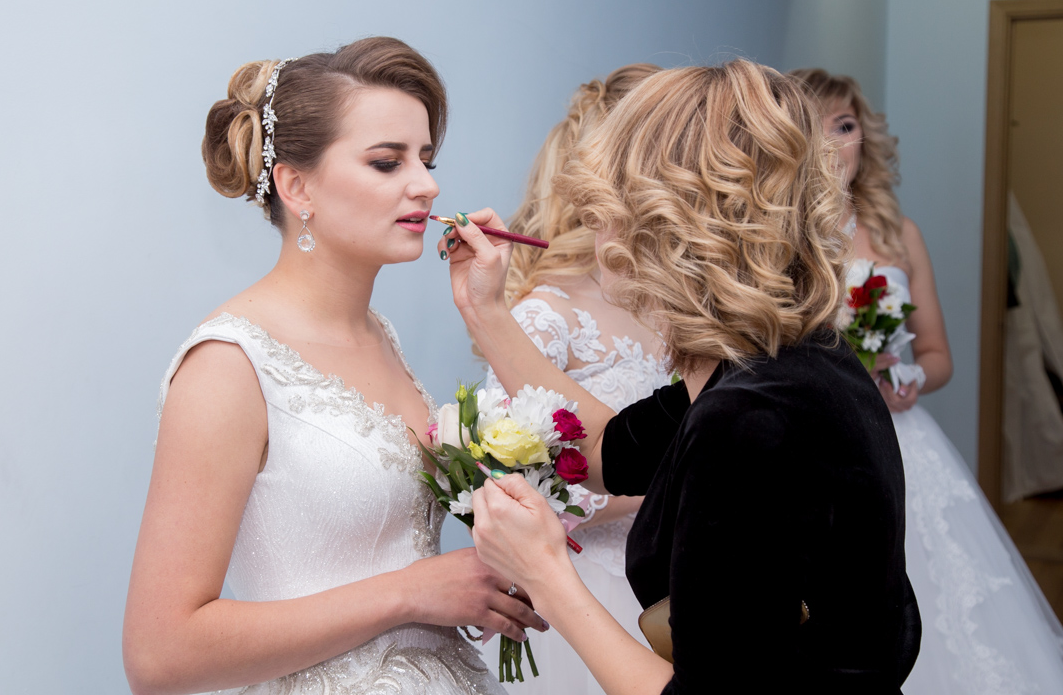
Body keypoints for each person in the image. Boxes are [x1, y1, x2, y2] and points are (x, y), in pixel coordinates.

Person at [439, 59, 921, 694]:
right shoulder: (776, 361)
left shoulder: (750, 420)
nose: (592, 225)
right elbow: (604, 448)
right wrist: (486, 310)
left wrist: (546, 574)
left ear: (668, 225)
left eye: (606, 205)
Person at [122, 38, 538, 695]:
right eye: (387, 162)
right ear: (297, 186)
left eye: (426, 159)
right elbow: (158, 656)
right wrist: (409, 592)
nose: (426, 184)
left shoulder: (380, 337)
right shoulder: (230, 365)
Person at [792, 67, 1063, 695]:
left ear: (864, 136)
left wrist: (909, 377)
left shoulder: (899, 233)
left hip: (903, 439)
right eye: (817, 127)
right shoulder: (781, 236)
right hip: (819, 444)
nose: (835, 144)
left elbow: (938, 355)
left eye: (846, 126)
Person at [474, 63, 669, 693]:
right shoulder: (546, 316)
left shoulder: (676, 305)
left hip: (675, 577)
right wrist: (675, 486)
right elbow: (511, 483)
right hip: (591, 592)